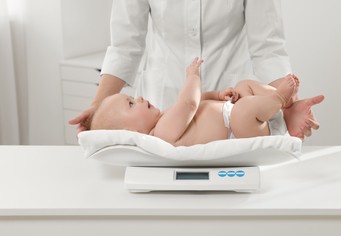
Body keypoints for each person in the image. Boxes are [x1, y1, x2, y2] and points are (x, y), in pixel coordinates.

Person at [69, 0, 321, 140]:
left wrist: (289, 107)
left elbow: (268, 48)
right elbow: (125, 46)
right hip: (161, 108)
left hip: (236, 105)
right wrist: (99, 106)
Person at [90, 58, 324, 146]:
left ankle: (286, 110)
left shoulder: (164, 119)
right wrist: (192, 77)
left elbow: (198, 103)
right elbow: (189, 105)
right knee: (243, 110)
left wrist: (217, 96)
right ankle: (278, 98)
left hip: (232, 113)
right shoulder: (160, 133)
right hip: (239, 129)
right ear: (131, 133)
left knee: (244, 86)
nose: (139, 98)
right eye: (131, 104)